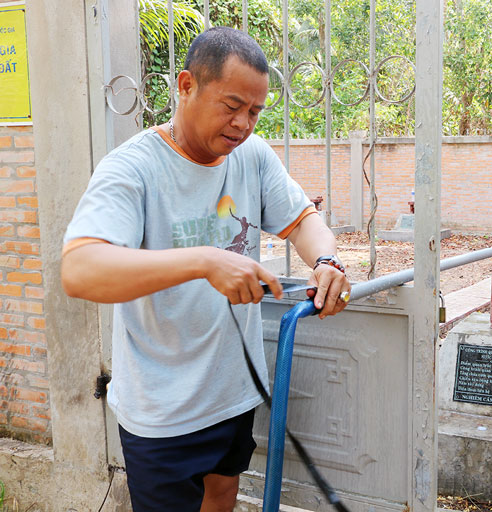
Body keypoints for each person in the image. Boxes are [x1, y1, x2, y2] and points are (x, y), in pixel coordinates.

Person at [61, 26, 350, 512]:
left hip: (233, 393)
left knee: (223, 496)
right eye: (232, 105)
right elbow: (80, 269)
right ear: (187, 85)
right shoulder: (131, 169)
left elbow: (303, 220)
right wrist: (204, 261)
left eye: (255, 112)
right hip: (162, 410)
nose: (243, 124)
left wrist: (326, 260)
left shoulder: (251, 157)